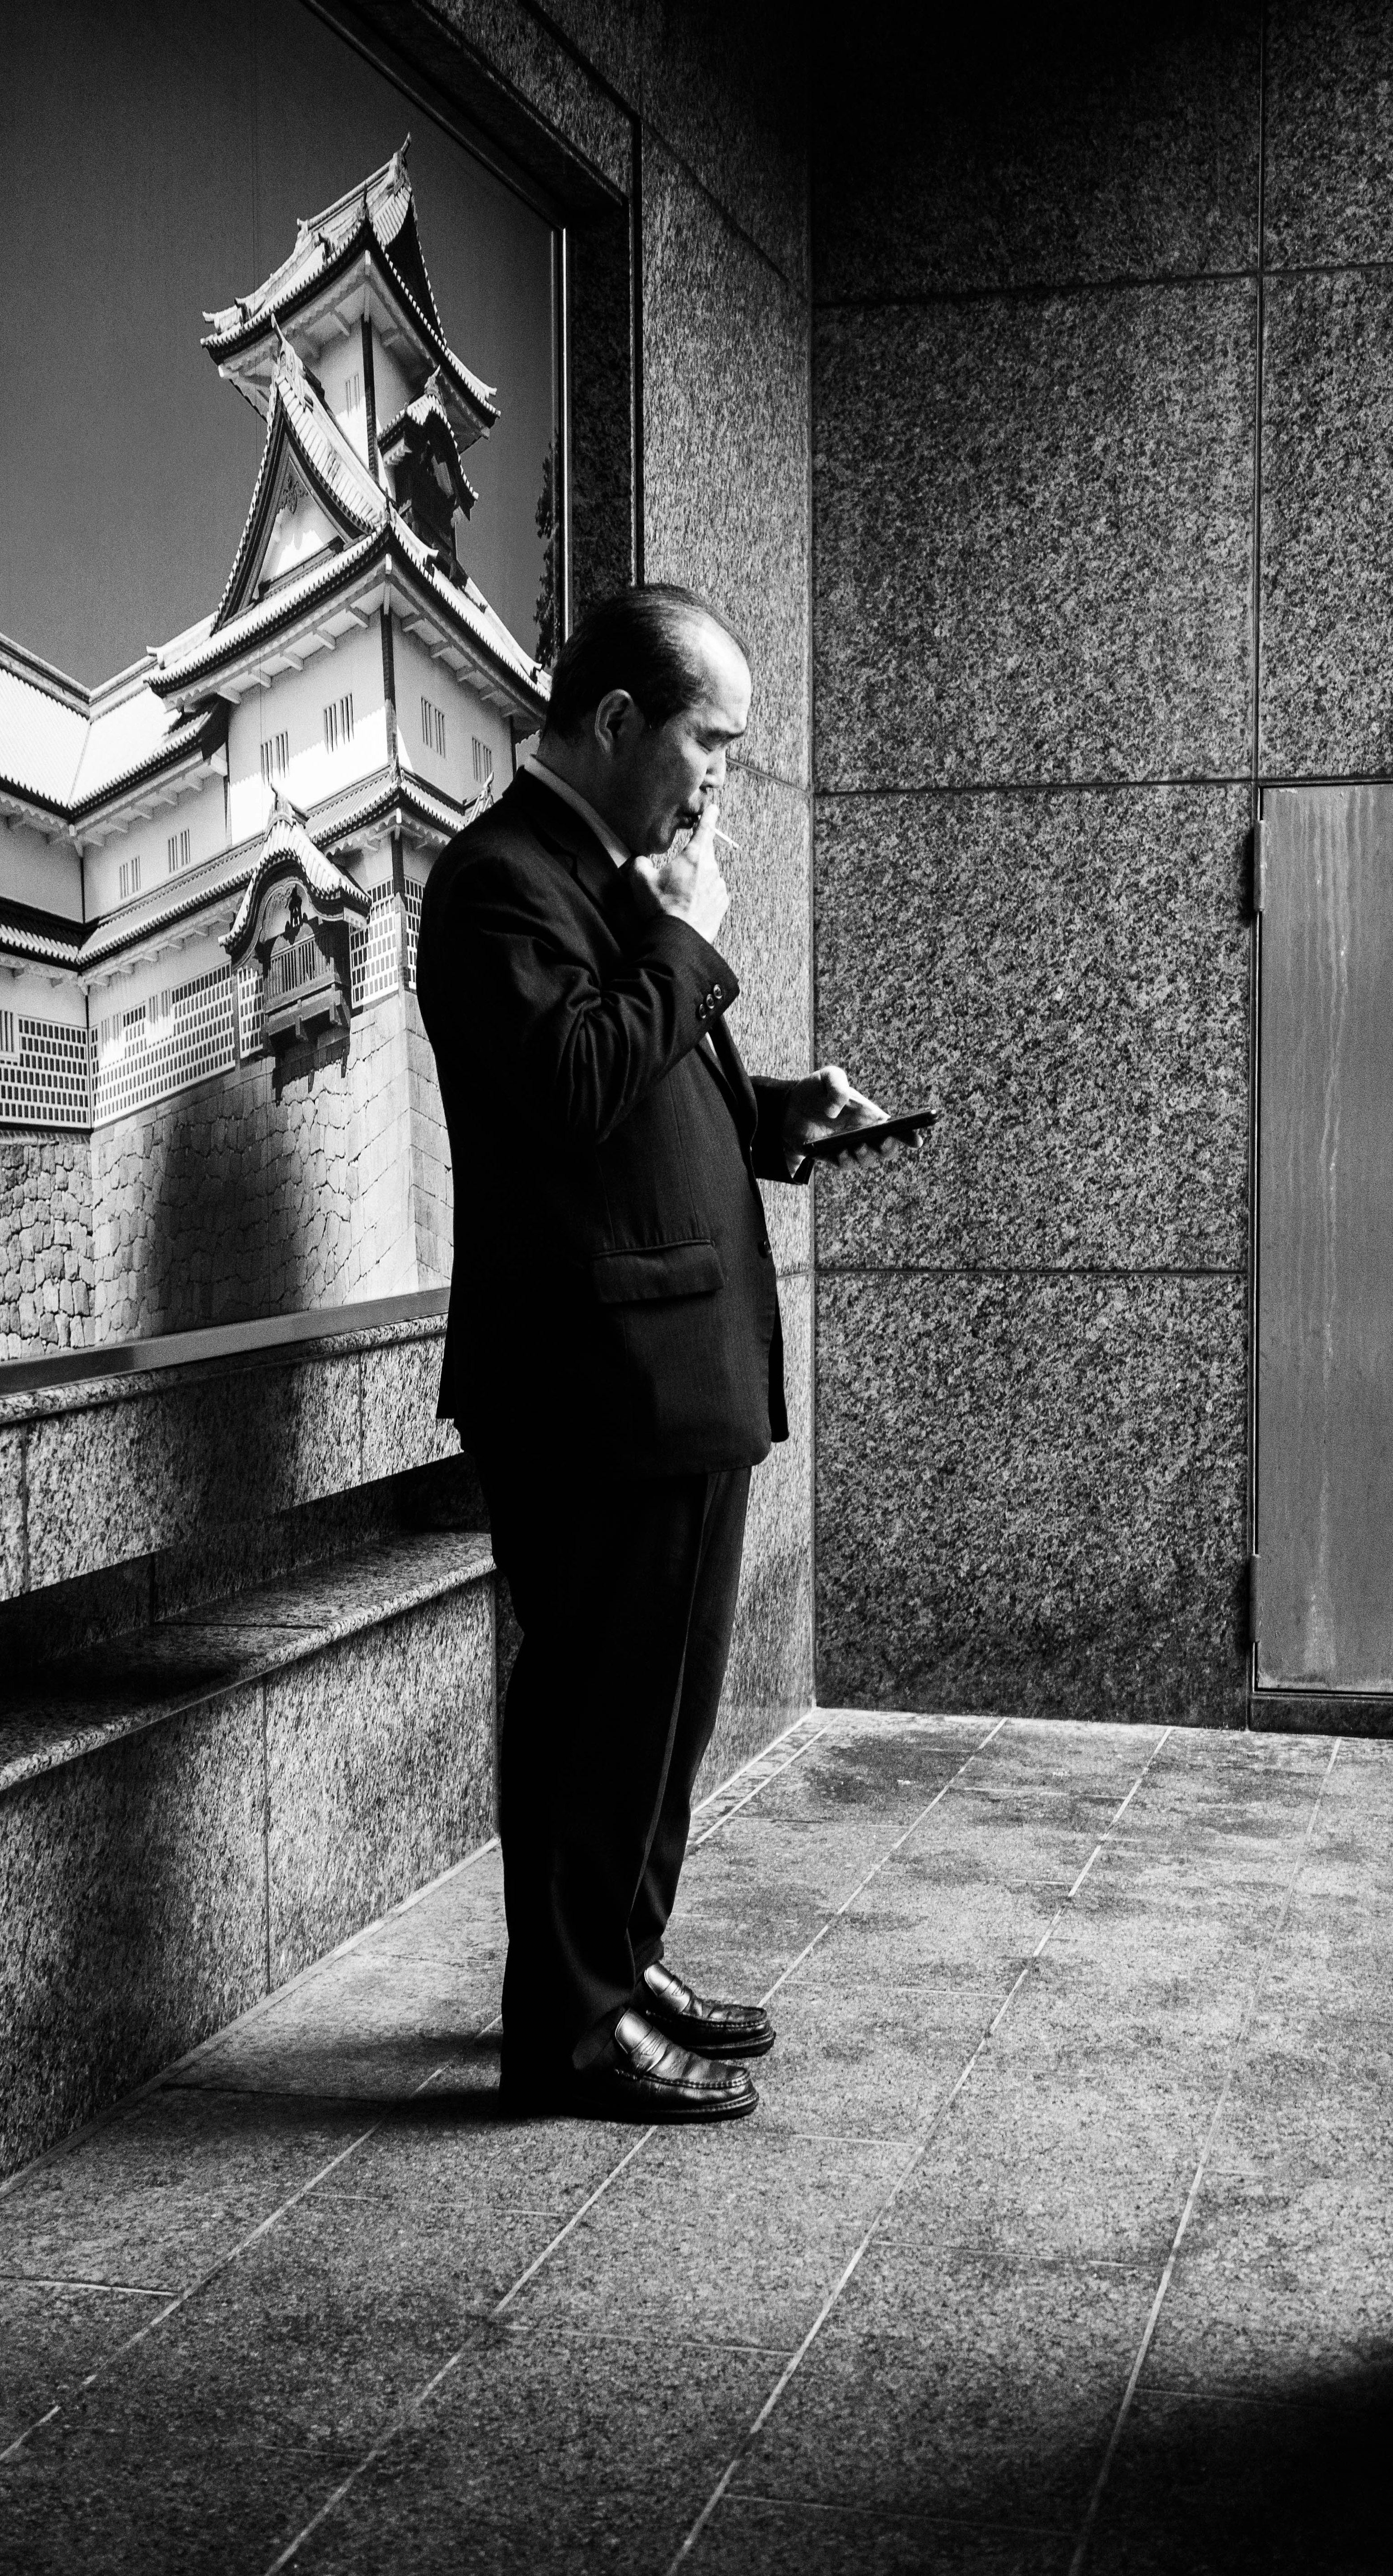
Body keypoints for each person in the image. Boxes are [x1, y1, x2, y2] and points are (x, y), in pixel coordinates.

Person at [416, 583, 909, 2124]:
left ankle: (616, 1970)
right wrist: (690, 941)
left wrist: (770, 1115)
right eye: (712, 741)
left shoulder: (605, 875)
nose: (720, 780)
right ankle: (565, 2028)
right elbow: (568, 1087)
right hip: (589, 1385)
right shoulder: (499, 881)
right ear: (619, 721)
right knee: (597, 1708)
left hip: (670, 1371)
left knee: (664, 1708)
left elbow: (639, 1095)